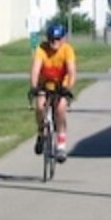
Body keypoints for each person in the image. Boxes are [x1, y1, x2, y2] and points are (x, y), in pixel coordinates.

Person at [29, 21, 77, 160]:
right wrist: (34, 87)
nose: (54, 43)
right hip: (45, 84)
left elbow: (72, 71)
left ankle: (61, 146)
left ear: (63, 39)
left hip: (62, 85)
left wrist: (68, 88)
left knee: (60, 109)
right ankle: (41, 133)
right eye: (51, 39)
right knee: (39, 106)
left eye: (57, 39)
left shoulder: (67, 50)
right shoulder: (41, 49)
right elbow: (35, 70)